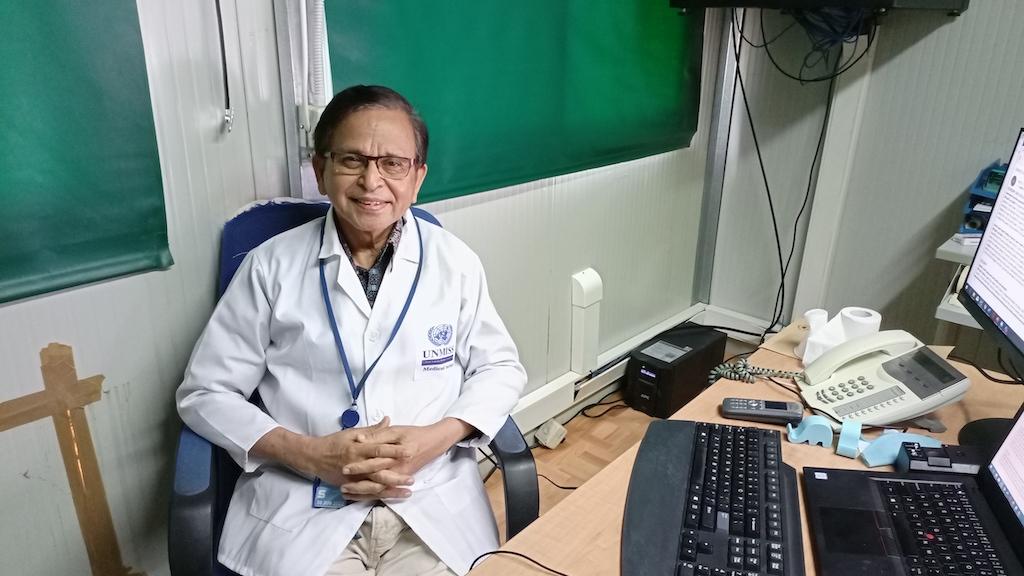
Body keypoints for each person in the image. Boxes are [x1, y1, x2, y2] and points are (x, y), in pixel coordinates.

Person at [177, 85, 526, 576]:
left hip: (427, 501)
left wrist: (436, 438)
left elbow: (500, 368)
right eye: (352, 160)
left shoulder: (456, 263)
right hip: (304, 507)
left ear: (418, 177)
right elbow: (205, 392)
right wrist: (308, 454)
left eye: (393, 164)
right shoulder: (270, 266)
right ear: (321, 170)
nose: (371, 180)